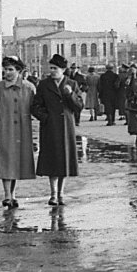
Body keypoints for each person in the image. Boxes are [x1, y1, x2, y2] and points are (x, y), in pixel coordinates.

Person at [31, 54, 83, 206]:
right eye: (51, 68)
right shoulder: (44, 84)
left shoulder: (72, 84)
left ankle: (61, 194)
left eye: (55, 68)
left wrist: (70, 95)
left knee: (64, 161)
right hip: (50, 128)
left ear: (63, 69)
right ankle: (53, 194)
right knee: (53, 161)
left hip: (67, 127)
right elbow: (35, 106)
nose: (52, 71)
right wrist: (45, 118)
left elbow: (79, 106)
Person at [0, 56, 36, 209]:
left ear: (19, 71)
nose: (7, 72)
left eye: (10, 69)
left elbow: (36, 109)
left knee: (16, 164)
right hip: (4, 130)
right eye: (5, 69)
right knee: (6, 162)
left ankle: (13, 195)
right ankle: (7, 195)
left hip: (22, 132)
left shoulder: (29, 88)